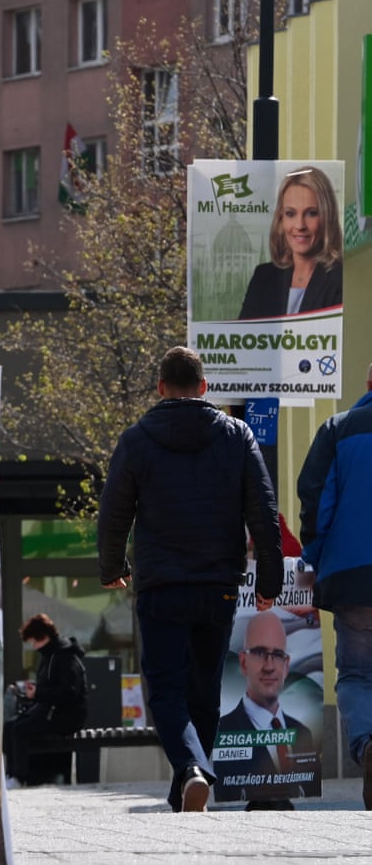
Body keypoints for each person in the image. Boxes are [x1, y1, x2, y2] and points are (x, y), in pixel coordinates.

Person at [97, 345, 282, 812]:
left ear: (161, 387)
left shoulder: (137, 439)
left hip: (161, 585)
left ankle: (191, 770)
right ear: (204, 387)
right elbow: (263, 509)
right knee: (204, 690)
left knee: (165, 688)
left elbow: (114, 512)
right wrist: (270, 580)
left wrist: (113, 566)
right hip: (218, 582)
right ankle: (189, 782)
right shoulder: (237, 436)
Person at [297, 361, 372, 809]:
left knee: (358, 673)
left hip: (352, 578)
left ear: (367, 384)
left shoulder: (338, 429)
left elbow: (316, 499)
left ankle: (366, 745)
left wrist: (315, 557)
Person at [216, 613, 315, 810]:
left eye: (277, 655)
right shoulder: (225, 731)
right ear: (243, 662)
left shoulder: (303, 733)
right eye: (260, 653)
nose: (269, 666)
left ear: (286, 666)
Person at [239, 165, 343, 320]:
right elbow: (241, 338)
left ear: (327, 217)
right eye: (290, 213)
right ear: (281, 219)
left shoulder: (340, 278)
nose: (300, 225)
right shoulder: (263, 277)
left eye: (311, 213)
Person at [3, 613, 88, 786]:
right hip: (51, 712)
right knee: (9, 727)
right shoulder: (50, 655)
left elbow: (68, 691)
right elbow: (50, 686)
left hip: (66, 716)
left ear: (44, 637)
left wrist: (38, 693)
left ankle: (19, 777)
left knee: (19, 729)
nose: (33, 646)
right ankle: (11, 774)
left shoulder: (65, 656)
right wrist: (35, 690)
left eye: (34, 641)